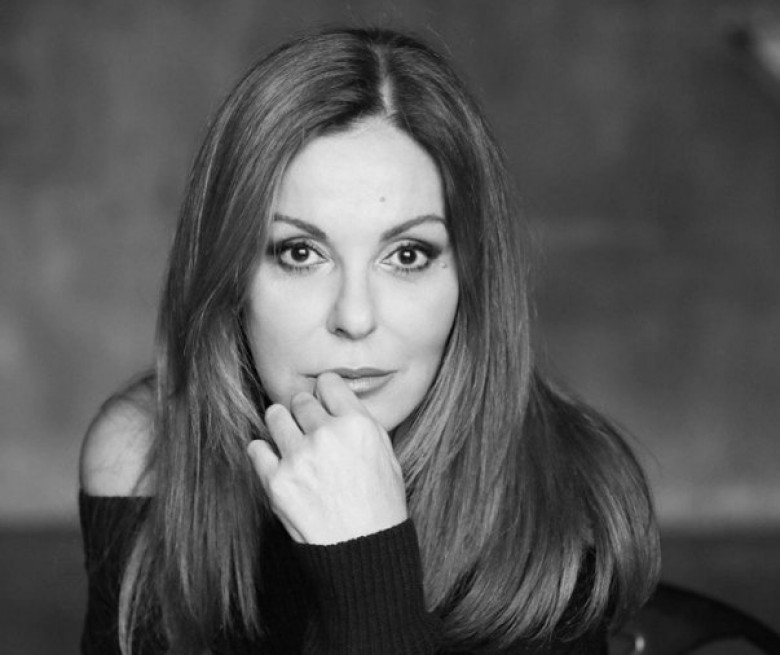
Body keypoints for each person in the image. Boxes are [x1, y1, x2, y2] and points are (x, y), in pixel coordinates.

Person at [78, 26, 660, 655]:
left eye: (407, 254)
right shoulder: (145, 456)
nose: (354, 318)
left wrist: (365, 563)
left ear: (471, 277)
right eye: (300, 252)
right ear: (229, 275)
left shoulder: (567, 487)